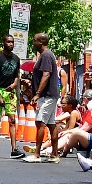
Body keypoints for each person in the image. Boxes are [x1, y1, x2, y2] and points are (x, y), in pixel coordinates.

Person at [25, 32, 60, 163]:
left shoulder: (46, 55)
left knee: (40, 122)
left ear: (41, 42)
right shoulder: (46, 55)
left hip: (47, 95)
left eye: (34, 40)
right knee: (51, 124)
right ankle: (54, 154)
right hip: (49, 95)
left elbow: (46, 75)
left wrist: (38, 93)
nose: (33, 43)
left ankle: (37, 154)